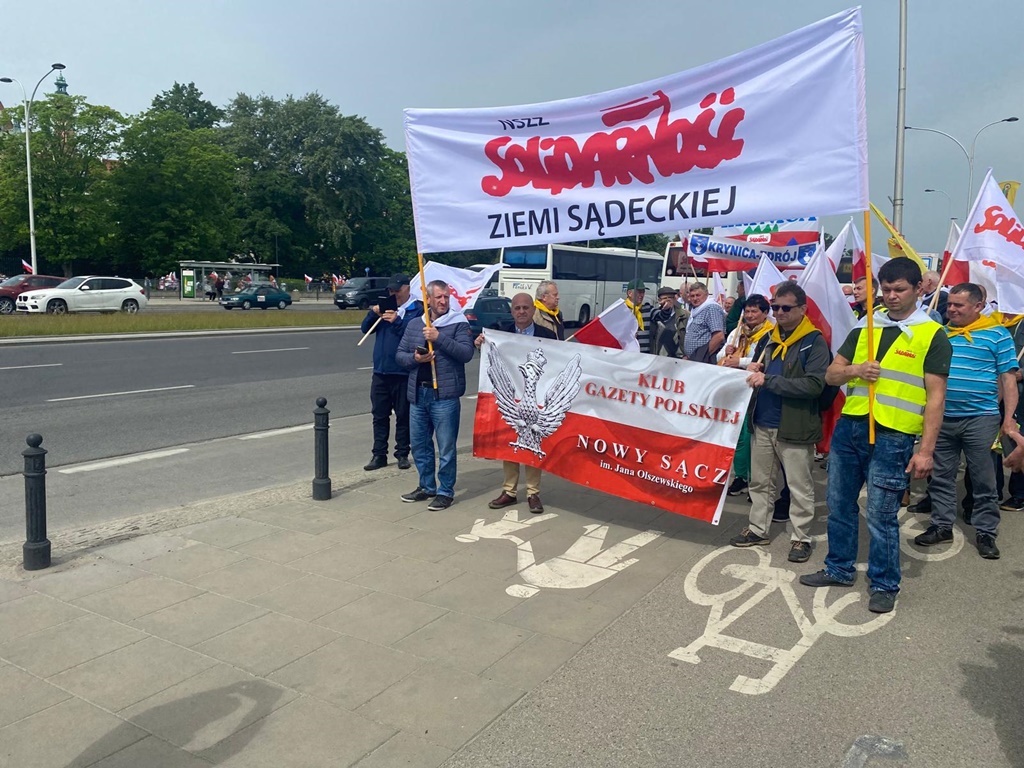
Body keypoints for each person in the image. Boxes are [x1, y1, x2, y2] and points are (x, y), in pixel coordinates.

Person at [799, 258, 951, 614]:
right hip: (851, 426)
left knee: (881, 513)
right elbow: (831, 374)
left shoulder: (932, 334)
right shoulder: (865, 326)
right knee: (839, 505)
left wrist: (926, 451)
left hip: (894, 434)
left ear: (918, 289)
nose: (892, 296)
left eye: (900, 289)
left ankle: (884, 583)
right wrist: (855, 369)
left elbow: (936, 398)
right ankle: (839, 568)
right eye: (886, 289)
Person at [912, 283, 1018, 560]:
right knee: (941, 477)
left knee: (984, 479)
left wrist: (1008, 420)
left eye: (959, 305)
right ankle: (941, 525)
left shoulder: (998, 335)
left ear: (978, 306)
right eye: (950, 304)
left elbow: (1008, 381)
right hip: (942, 420)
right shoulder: (940, 333)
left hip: (981, 419)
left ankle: (986, 531)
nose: (951, 309)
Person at [729, 283, 830, 563]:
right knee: (760, 482)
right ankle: (758, 529)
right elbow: (758, 371)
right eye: (775, 307)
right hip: (762, 421)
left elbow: (815, 385)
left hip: (794, 425)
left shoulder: (814, 341)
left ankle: (800, 537)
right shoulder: (769, 338)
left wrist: (769, 380)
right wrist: (752, 367)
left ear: (802, 309)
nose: (779, 312)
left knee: (799, 486)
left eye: (786, 307)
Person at [475, 292, 557, 513]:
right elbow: (492, 360)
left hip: (535, 398)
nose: (521, 312)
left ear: (533, 310)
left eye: (526, 308)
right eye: (517, 308)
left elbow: (557, 363)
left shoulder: (547, 335)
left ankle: (533, 493)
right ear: (511, 311)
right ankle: (509, 491)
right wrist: (481, 344)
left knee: (533, 444)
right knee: (510, 442)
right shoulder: (501, 333)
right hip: (512, 398)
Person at [396, 280, 474, 511]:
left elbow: (466, 353)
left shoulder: (458, 323)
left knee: (446, 448)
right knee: (420, 445)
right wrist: (415, 359)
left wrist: (439, 338)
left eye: (446, 297)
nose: (443, 301)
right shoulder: (414, 324)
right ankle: (426, 486)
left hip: (445, 397)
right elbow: (399, 355)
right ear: (428, 299)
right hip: (418, 394)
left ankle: (445, 491)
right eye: (438, 297)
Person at [361, 273, 422, 472]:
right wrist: (373, 314)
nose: (393, 294)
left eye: (397, 290)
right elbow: (365, 329)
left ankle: (402, 453)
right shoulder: (385, 307)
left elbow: (414, 336)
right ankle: (379, 454)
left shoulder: (417, 309)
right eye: (390, 290)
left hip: (403, 372)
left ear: (407, 288)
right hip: (381, 371)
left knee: (403, 415)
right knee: (379, 415)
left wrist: (397, 321)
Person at [720, 294, 775, 498]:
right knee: (738, 437)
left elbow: (762, 362)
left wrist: (740, 362)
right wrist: (726, 352)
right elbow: (721, 357)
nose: (750, 315)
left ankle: (756, 481)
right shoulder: (737, 332)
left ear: (765, 313)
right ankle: (741, 476)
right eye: (747, 311)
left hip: (757, 392)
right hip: (736, 390)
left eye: (754, 311)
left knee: (752, 438)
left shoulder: (771, 334)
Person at [683, 282, 727, 363]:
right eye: (692, 296)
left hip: (705, 360)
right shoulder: (696, 310)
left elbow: (719, 336)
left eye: (698, 295)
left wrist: (702, 355)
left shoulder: (711, 308)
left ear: (706, 294)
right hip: (693, 359)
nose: (695, 298)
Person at [650, 286, 682, 357]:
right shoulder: (655, 315)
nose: (668, 301)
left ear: (675, 299)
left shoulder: (683, 316)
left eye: (670, 297)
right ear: (659, 300)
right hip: (657, 356)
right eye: (665, 298)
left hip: (677, 357)